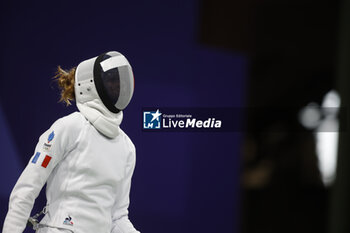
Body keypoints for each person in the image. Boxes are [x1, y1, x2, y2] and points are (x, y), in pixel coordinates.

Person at [2, 51, 140, 233]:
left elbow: (118, 217)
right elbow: (27, 189)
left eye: (119, 81)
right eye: (111, 80)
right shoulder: (71, 127)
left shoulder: (126, 147)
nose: (117, 86)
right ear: (90, 85)